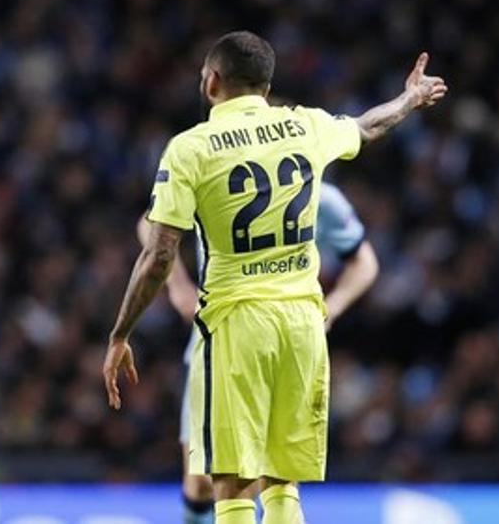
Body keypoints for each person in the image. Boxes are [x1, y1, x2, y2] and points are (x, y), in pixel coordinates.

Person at [104, 31, 446, 524]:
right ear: (266, 86)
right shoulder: (305, 126)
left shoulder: (190, 148)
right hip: (304, 322)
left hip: (239, 324)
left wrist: (120, 333)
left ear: (212, 82)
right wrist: (411, 98)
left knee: (234, 485)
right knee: (282, 482)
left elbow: (158, 256)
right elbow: (368, 126)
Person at [147, 181, 378, 524]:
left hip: (280, 344)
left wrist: (332, 308)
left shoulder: (320, 196)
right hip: (216, 341)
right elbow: (151, 223)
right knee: (201, 483)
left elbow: (364, 260)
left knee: (256, 478)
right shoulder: (220, 174)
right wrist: (180, 287)